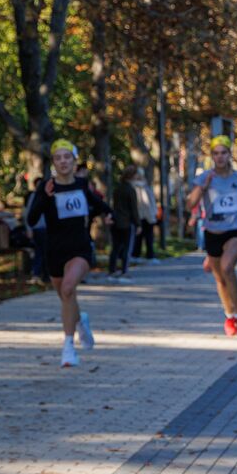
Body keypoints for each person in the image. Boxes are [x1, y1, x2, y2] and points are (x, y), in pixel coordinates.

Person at [26, 140, 111, 367]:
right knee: (66, 296)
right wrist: (43, 196)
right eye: (58, 157)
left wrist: (108, 215)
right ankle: (80, 321)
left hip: (80, 248)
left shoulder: (82, 185)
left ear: (74, 161)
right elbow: (31, 219)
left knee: (68, 288)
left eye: (67, 157)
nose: (63, 161)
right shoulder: (47, 187)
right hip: (54, 251)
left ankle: (68, 347)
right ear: (53, 162)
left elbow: (100, 205)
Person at [187, 136, 237, 335]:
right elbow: (190, 204)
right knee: (220, 278)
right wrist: (203, 187)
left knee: (228, 267)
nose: (220, 157)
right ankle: (230, 315)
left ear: (230, 155)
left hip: (236, 229)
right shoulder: (204, 179)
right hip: (213, 231)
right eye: (216, 153)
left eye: (223, 153)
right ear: (212, 156)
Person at [109, 166, 138, 281]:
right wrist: (138, 224)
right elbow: (134, 208)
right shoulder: (130, 190)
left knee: (115, 247)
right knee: (127, 247)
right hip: (127, 222)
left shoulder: (117, 188)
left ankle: (112, 270)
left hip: (116, 220)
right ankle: (124, 270)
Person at [132, 167, 158, 263]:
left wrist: (154, 212)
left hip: (149, 216)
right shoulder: (134, 187)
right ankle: (135, 254)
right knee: (138, 237)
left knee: (149, 237)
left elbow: (151, 201)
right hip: (139, 215)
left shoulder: (146, 186)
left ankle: (150, 255)